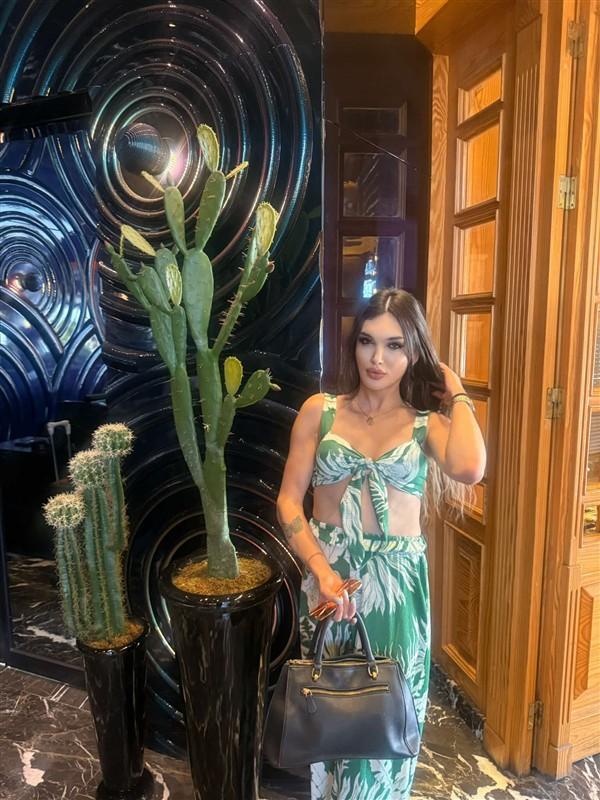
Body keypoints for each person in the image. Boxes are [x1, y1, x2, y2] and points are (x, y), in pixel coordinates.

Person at [276, 288, 486, 800]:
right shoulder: (320, 412)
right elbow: (289, 502)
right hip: (330, 583)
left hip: (397, 591)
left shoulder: (426, 425)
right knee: (329, 709)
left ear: (413, 353)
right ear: (353, 345)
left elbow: (470, 467)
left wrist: (457, 393)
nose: (377, 358)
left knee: (386, 720)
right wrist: (322, 571)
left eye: (395, 346)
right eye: (367, 341)